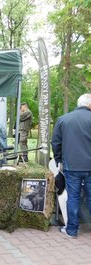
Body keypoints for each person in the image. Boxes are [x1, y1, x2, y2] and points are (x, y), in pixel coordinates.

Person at [51, 93, 91, 238]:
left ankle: (72, 230)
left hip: (71, 166)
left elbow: (55, 143)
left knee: (73, 197)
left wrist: (58, 160)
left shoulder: (63, 119)